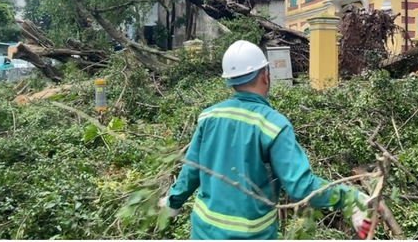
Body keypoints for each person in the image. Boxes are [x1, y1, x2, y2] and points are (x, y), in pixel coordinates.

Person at [158, 40, 372, 240]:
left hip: (203, 231)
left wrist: (172, 203)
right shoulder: (273, 125)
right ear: (265, 76)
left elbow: (191, 171)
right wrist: (350, 197)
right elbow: (301, 186)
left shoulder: (208, 116)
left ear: (230, 81)